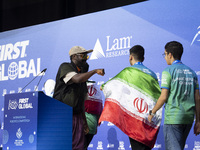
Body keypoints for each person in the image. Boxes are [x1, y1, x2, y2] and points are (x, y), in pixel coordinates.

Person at [99, 45, 161, 150]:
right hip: (149, 118)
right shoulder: (153, 75)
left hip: (134, 119)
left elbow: (112, 85)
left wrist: (103, 86)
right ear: (143, 58)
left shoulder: (128, 72)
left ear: (131, 57)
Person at [148, 41, 200, 150]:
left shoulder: (168, 71)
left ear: (170, 55)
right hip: (188, 119)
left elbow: (163, 97)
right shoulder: (192, 73)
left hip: (173, 118)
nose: (165, 57)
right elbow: (197, 98)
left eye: (165, 54)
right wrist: (198, 121)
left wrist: (152, 112)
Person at [53, 46, 105, 150]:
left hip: (76, 117)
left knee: (80, 147)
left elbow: (81, 100)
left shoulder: (82, 77)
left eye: (87, 56)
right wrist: (94, 71)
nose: (85, 58)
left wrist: (84, 122)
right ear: (73, 57)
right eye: (83, 55)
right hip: (63, 115)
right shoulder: (65, 67)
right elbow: (76, 79)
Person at [84, 81, 103, 150]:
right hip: (92, 126)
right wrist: (96, 126)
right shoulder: (97, 93)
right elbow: (99, 110)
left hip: (81, 125)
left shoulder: (81, 90)